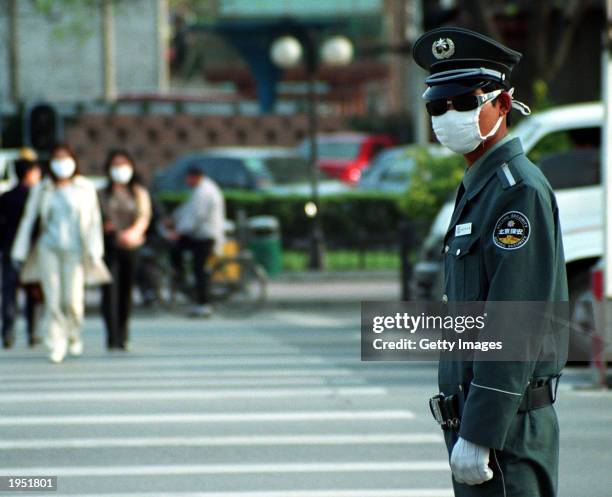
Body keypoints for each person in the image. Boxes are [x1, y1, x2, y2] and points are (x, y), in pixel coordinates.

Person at [413, 27, 568, 496]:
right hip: (483, 425)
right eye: (438, 106)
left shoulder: (515, 190)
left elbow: (515, 320)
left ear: (502, 105)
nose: (449, 115)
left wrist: (481, 431)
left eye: (465, 102)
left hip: (506, 434)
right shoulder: (481, 186)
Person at [11, 143, 110, 363]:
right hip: (49, 248)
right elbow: (29, 219)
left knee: (72, 300)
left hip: (75, 250)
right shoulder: (43, 188)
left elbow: (94, 221)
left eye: (66, 158)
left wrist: (96, 251)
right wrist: (19, 250)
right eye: (57, 158)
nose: (62, 163)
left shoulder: (84, 188)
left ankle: (74, 333)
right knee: (53, 299)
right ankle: (56, 342)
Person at [98, 149, 151, 350]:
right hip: (109, 246)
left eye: (123, 164)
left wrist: (133, 233)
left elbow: (144, 216)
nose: (120, 169)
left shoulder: (138, 192)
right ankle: (111, 335)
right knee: (109, 292)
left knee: (126, 291)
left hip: (132, 245)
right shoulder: (102, 193)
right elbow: (99, 218)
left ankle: (124, 333)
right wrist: (113, 232)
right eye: (115, 165)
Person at [165, 167, 225, 317]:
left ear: (194, 177)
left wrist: (179, 232)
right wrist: (173, 219)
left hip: (205, 236)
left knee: (200, 270)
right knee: (184, 257)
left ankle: (203, 303)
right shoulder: (200, 189)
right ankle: (187, 286)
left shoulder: (205, 192)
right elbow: (186, 210)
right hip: (199, 235)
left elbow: (195, 216)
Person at [0, 149, 42, 349]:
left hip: (9, 249)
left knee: (10, 293)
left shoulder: (6, 197)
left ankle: (8, 332)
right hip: (32, 250)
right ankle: (32, 332)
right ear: (30, 173)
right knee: (33, 292)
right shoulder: (36, 198)